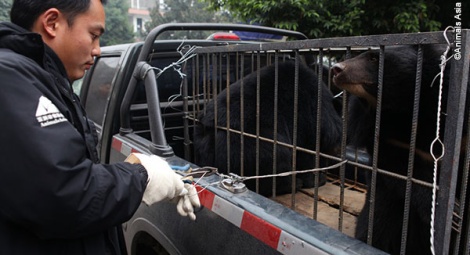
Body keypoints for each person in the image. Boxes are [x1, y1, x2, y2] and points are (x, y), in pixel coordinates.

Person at [0, 0, 200, 254]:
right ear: (52, 23)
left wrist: (135, 169)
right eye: (93, 36)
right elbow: (64, 194)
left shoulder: (44, 79)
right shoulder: (10, 77)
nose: (97, 50)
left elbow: (53, 169)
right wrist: (141, 176)